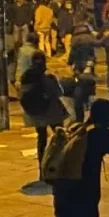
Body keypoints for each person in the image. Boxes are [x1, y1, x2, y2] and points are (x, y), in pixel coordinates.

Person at [19, 51, 68, 179]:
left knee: (41, 139)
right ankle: (59, 165)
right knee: (60, 137)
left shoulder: (26, 77)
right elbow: (58, 92)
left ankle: (42, 167)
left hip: (37, 113)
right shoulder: (47, 76)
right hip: (52, 111)